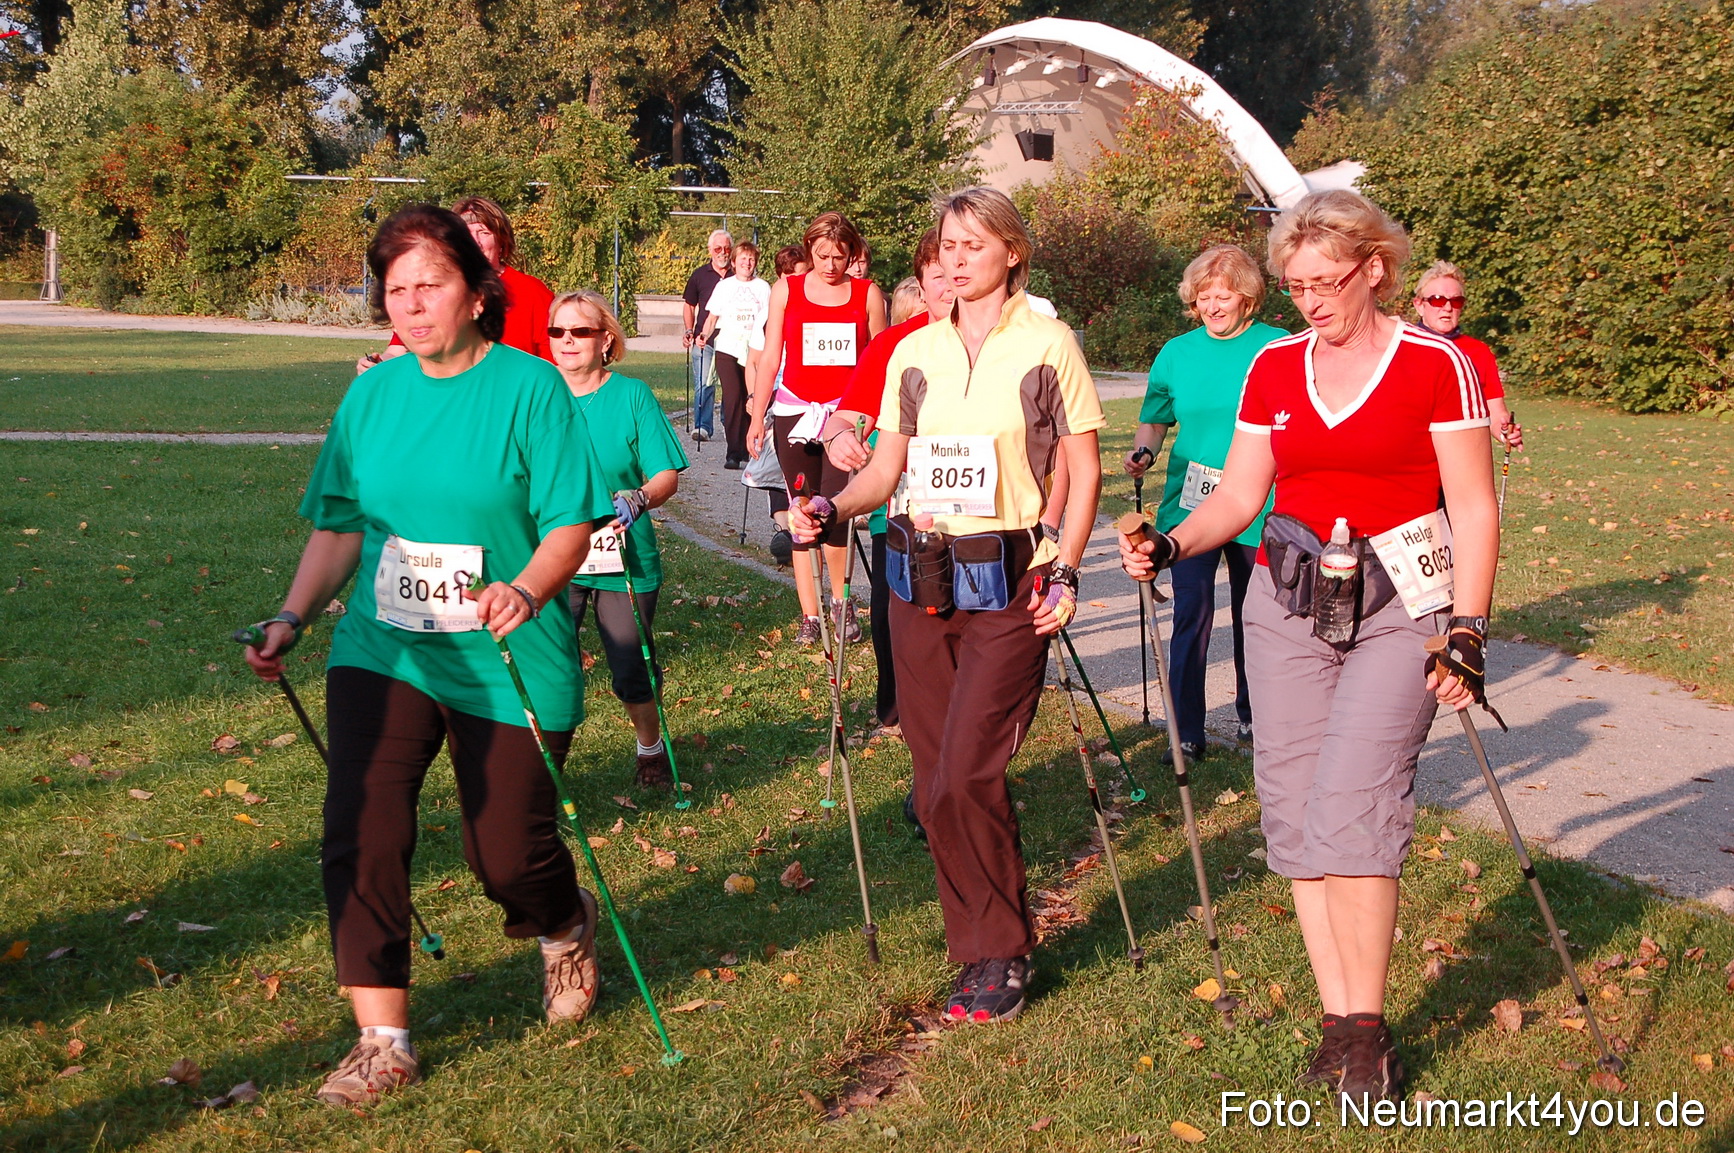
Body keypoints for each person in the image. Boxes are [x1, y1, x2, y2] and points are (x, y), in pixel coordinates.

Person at [1118, 189, 1497, 1102]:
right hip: (1288, 601)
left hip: (1401, 602)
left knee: (1355, 801)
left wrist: (1468, 628)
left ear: (1376, 269)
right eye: (1297, 286)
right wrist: (1171, 543)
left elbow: (1475, 505)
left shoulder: (1436, 364)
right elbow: (1240, 494)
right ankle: (1336, 1022)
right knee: (1292, 810)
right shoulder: (1276, 367)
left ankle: (1368, 1030)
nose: (1312, 301)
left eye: (1328, 282)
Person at [245, 204, 615, 1106]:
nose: (411, 304)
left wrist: (526, 588)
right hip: (386, 650)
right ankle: (384, 1040)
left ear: (477, 293)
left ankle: (563, 924)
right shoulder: (371, 396)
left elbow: (571, 524)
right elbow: (340, 527)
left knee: (506, 855)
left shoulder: (532, 389)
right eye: (396, 288)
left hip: (507, 650)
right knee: (362, 826)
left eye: (431, 284)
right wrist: (293, 615)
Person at [792, 187, 1104, 1023]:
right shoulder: (914, 351)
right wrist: (830, 506)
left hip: (1010, 578)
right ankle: (979, 949)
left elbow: (1085, 469)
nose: (957, 259)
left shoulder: (1048, 344)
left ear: (1011, 251)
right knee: (934, 788)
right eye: (948, 245)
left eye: (975, 244)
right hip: (918, 578)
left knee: (968, 771)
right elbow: (885, 469)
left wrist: (1068, 567)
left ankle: (1002, 947)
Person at [1122, 245, 1286, 759]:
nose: (1213, 306)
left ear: (1247, 297)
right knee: (1191, 612)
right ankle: (1186, 730)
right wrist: (1144, 451)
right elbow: (1155, 419)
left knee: (1253, 614)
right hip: (1190, 504)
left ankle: (1253, 716)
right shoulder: (1176, 353)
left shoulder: (1276, 347)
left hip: (1259, 503)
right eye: (1204, 296)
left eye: (1224, 295)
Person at [549, 290, 691, 790]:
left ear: (606, 339)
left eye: (579, 331)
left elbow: (666, 475)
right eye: (557, 331)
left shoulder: (632, 396)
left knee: (631, 664)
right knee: (549, 660)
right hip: (550, 552)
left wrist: (639, 497)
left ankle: (649, 747)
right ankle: (546, 767)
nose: (567, 340)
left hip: (621, 553)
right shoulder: (536, 395)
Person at [822, 225, 950, 733]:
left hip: (978, 510)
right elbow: (848, 414)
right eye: (937, 276)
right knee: (891, 609)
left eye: (956, 273)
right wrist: (839, 437)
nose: (949, 286)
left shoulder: (1004, 342)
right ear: (921, 282)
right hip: (897, 503)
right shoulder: (894, 344)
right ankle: (894, 708)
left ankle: (952, 710)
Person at [748, 212, 888, 645]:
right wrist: (756, 416)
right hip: (794, 413)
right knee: (802, 511)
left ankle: (841, 604)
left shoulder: (867, 294)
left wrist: (870, 423)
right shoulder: (786, 290)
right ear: (809, 249)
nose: (830, 265)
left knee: (835, 512)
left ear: (853, 254)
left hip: (845, 420)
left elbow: (881, 361)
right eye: (822, 255)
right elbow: (771, 356)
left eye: (839, 257)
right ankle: (810, 615)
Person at [356, 196, 555, 372]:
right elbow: (398, 349)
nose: (475, 241)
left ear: (502, 241)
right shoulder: (432, 288)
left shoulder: (533, 293)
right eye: (467, 233)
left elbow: (553, 363)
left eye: (484, 232)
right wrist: (379, 365)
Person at [1412, 260, 1524, 451]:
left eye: (1456, 301)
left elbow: (1495, 412)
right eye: (1437, 300)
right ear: (1419, 305)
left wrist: (1506, 432)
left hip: (1463, 454)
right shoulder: (1401, 346)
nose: (1447, 308)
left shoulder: (1479, 352)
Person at [700, 240, 771, 468]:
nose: (747, 263)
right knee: (732, 399)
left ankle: (749, 447)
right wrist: (703, 335)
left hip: (754, 350)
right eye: (743, 259)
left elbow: (770, 320)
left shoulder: (763, 287)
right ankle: (733, 452)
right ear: (734, 262)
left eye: (751, 259)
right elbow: (712, 317)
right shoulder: (724, 286)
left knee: (752, 398)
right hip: (728, 348)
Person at [683, 229, 733, 443]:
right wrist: (689, 330)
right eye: (718, 248)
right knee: (703, 384)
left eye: (727, 249)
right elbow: (689, 305)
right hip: (705, 339)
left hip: (733, 341)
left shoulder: (739, 275)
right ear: (710, 250)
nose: (723, 253)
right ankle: (702, 426)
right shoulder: (699, 275)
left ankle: (730, 426)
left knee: (731, 387)